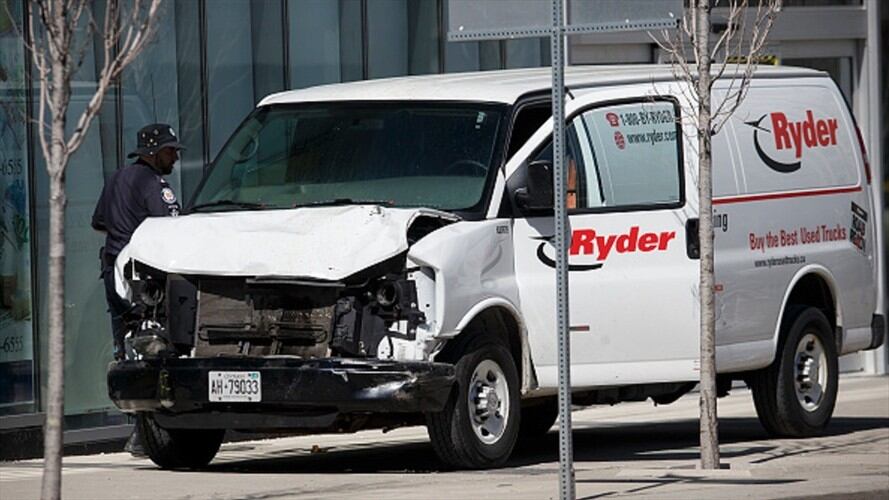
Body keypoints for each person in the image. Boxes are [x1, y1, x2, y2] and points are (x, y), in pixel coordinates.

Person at [92, 123, 183, 456]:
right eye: (170, 150)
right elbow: (170, 228)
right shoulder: (155, 184)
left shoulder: (116, 178)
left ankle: (139, 429)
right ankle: (147, 431)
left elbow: (98, 222)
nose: (174, 157)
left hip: (115, 274)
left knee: (128, 349)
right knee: (156, 348)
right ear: (153, 152)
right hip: (145, 278)